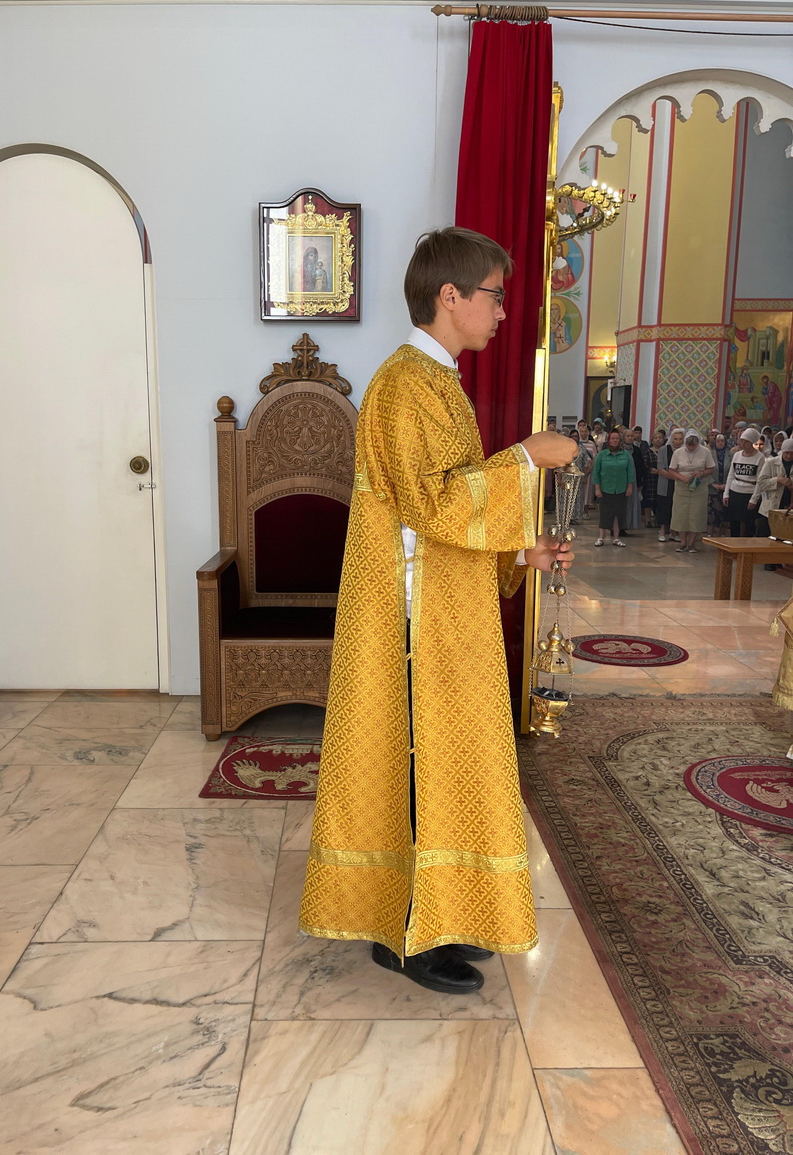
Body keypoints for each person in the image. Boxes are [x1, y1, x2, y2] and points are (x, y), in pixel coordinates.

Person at [298, 227, 578, 995]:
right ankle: (406, 934)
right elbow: (432, 502)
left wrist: (522, 553)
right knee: (419, 761)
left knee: (446, 763)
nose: (502, 311)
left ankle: (439, 913)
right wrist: (525, 457)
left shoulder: (437, 380)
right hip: (411, 619)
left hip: (442, 607)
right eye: (494, 295)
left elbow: (444, 508)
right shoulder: (403, 384)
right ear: (449, 296)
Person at [667, 429, 715, 553]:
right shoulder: (678, 452)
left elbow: (711, 468)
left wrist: (701, 473)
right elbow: (671, 470)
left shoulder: (705, 451)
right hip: (682, 486)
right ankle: (683, 542)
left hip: (699, 487)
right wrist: (682, 477)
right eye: (689, 445)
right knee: (680, 514)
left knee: (696, 514)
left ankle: (691, 543)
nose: (691, 448)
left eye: (694, 445)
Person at [592, 428, 634, 547]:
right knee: (604, 512)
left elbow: (630, 472)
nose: (615, 440)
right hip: (605, 488)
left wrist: (629, 487)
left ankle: (616, 538)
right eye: (613, 438)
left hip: (621, 488)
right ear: (609, 440)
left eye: (617, 438)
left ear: (620, 440)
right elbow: (596, 472)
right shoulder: (602, 455)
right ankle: (601, 537)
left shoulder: (626, 455)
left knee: (618, 513)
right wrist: (597, 488)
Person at [750, 437, 793, 538]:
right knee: (764, 536)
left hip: (788, 506)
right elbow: (761, 483)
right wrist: (777, 480)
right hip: (770, 507)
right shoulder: (771, 463)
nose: (789, 456)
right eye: (786, 453)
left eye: (792, 453)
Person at [724, 428, 763, 537]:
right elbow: (731, 475)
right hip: (735, 491)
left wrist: (754, 498)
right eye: (741, 441)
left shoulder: (759, 457)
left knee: (749, 524)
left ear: (752, 442)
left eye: (746, 442)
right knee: (734, 523)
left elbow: (760, 480)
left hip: (749, 493)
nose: (743, 444)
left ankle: (747, 545)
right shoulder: (737, 455)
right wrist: (726, 493)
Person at [654, 428, 684, 543]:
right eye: (675, 439)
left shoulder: (684, 451)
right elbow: (660, 468)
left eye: (680, 439)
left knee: (676, 508)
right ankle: (662, 531)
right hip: (665, 482)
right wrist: (675, 476)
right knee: (664, 507)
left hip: (680, 484)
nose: (678, 441)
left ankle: (673, 532)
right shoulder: (663, 450)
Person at [708, 433, 729, 535]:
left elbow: (733, 471)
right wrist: (713, 484)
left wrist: (727, 485)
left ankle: (722, 534)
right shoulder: (709, 454)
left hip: (726, 488)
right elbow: (705, 470)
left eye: (722, 441)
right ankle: (709, 534)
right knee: (711, 513)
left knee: (724, 513)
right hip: (712, 488)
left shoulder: (731, 455)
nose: (720, 443)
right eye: (718, 441)